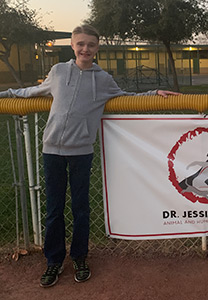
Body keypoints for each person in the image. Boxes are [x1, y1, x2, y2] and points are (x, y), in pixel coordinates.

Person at [0, 24, 180, 288]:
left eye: (91, 45)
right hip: (52, 151)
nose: (85, 49)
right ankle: (53, 261)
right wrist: (4, 95)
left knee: (80, 209)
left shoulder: (103, 78)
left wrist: (153, 93)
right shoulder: (59, 71)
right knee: (54, 210)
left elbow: (124, 97)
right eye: (80, 44)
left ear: (97, 48)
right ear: (73, 45)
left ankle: (80, 257)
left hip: (82, 153)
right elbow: (31, 92)